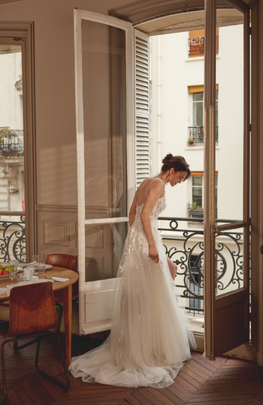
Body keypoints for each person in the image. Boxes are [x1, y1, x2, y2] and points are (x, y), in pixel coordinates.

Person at [69, 154, 196, 388]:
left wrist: (135, 239)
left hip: (138, 237)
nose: (179, 182)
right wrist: (149, 243)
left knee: (151, 284)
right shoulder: (158, 184)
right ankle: (149, 349)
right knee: (149, 292)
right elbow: (146, 214)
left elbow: (131, 214)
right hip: (147, 239)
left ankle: (149, 343)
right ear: (172, 170)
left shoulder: (146, 181)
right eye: (180, 177)